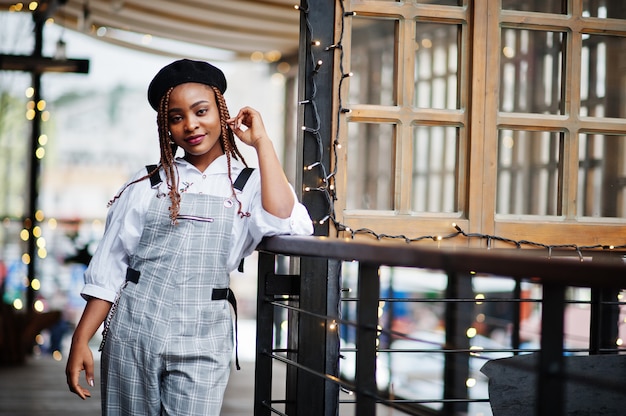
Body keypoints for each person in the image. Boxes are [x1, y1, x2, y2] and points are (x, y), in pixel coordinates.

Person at [65, 58, 313, 415]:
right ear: (166, 127)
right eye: (176, 117)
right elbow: (110, 269)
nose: (191, 125)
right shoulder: (147, 183)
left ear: (222, 112)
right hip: (134, 328)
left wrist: (262, 143)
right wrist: (80, 340)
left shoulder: (249, 183)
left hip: (205, 332)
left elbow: (288, 223)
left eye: (201, 111)